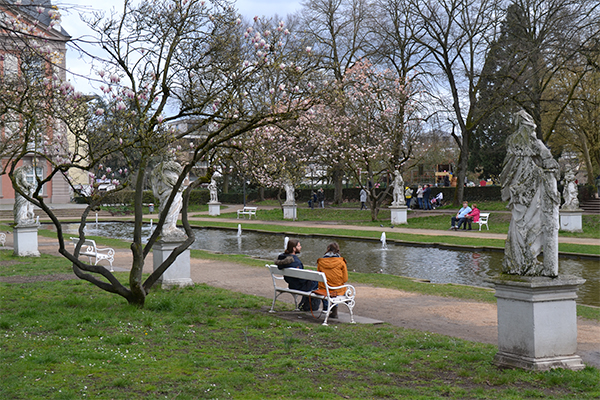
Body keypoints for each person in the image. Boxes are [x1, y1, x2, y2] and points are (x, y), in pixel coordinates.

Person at [500, 110, 560, 277]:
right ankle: (523, 260)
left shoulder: (513, 141)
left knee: (522, 224)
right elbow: (550, 163)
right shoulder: (532, 143)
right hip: (527, 194)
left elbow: (508, 171)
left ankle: (520, 261)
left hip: (522, 193)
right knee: (530, 224)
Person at [274, 239, 319, 311]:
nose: (300, 247)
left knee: (314, 282)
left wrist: (304, 272)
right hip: (299, 286)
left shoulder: (282, 258)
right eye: (299, 246)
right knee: (318, 282)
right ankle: (311, 306)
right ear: (294, 249)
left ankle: (306, 304)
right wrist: (308, 275)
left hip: (292, 284)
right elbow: (301, 279)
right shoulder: (295, 262)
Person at [315, 242, 348, 319]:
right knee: (339, 288)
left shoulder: (321, 261)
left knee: (324, 286)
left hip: (324, 288)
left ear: (328, 249)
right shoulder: (341, 262)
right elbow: (345, 279)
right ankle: (334, 308)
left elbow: (318, 276)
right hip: (337, 289)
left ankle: (326, 307)